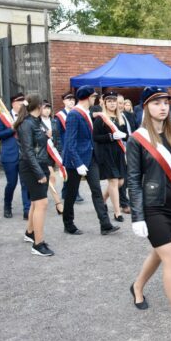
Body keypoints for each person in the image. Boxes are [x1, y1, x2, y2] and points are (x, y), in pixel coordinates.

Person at [127, 86, 171, 336]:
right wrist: (137, 216)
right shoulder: (137, 139)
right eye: (156, 102)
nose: (162, 106)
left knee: (159, 254)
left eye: (165, 102)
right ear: (146, 106)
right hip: (151, 207)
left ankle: (137, 286)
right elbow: (133, 179)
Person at [61, 85, 120, 236]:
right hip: (76, 161)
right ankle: (68, 224)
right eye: (94, 97)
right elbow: (69, 142)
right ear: (88, 97)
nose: (96, 99)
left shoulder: (87, 112)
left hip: (90, 157)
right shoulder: (74, 114)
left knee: (97, 191)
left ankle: (105, 225)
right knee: (71, 193)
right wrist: (78, 163)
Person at [14, 94, 54, 256]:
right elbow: (28, 152)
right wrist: (39, 173)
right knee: (41, 204)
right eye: (43, 105)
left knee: (35, 203)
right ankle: (38, 244)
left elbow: (38, 145)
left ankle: (30, 233)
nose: (45, 108)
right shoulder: (26, 124)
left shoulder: (36, 122)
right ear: (39, 106)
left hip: (40, 164)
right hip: (31, 167)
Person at [93, 91, 129, 222]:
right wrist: (110, 136)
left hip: (118, 152)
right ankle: (117, 212)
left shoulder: (121, 118)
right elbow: (95, 137)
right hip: (106, 153)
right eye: (109, 101)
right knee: (113, 181)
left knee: (120, 182)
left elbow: (126, 134)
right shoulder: (101, 118)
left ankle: (102, 200)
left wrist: (125, 136)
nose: (112, 103)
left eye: (114, 101)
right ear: (105, 103)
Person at [0, 92, 30, 219]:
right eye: (19, 102)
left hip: (25, 155)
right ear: (13, 103)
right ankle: (7, 205)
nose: (22, 104)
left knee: (25, 183)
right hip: (10, 155)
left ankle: (27, 209)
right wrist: (12, 128)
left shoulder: (26, 117)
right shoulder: (3, 117)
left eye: (23, 102)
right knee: (12, 183)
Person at [55, 92, 84, 204]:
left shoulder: (77, 113)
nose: (71, 101)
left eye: (73, 99)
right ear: (64, 101)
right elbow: (57, 133)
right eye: (68, 99)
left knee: (73, 170)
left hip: (77, 146)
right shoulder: (60, 116)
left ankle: (65, 191)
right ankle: (74, 193)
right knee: (71, 171)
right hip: (66, 147)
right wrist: (60, 148)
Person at [41, 100, 64, 216]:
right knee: (52, 177)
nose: (47, 110)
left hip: (53, 153)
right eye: (45, 108)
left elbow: (58, 137)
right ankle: (58, 203)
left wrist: (59, 152)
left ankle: (41, 199)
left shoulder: (54, 121)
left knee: (48, 178)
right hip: (42, 154)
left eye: (49, 108)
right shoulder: (36, 123)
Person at [119, 94, 137, 215]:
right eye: (118, 103)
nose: (119, 105)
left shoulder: (126, 115)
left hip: (129, 149)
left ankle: (103, 200)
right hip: (118, 151)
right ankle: (123, 203)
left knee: (124, 178)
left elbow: (132, 131)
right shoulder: (111, 118)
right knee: (121, 179)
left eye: (121, 103)